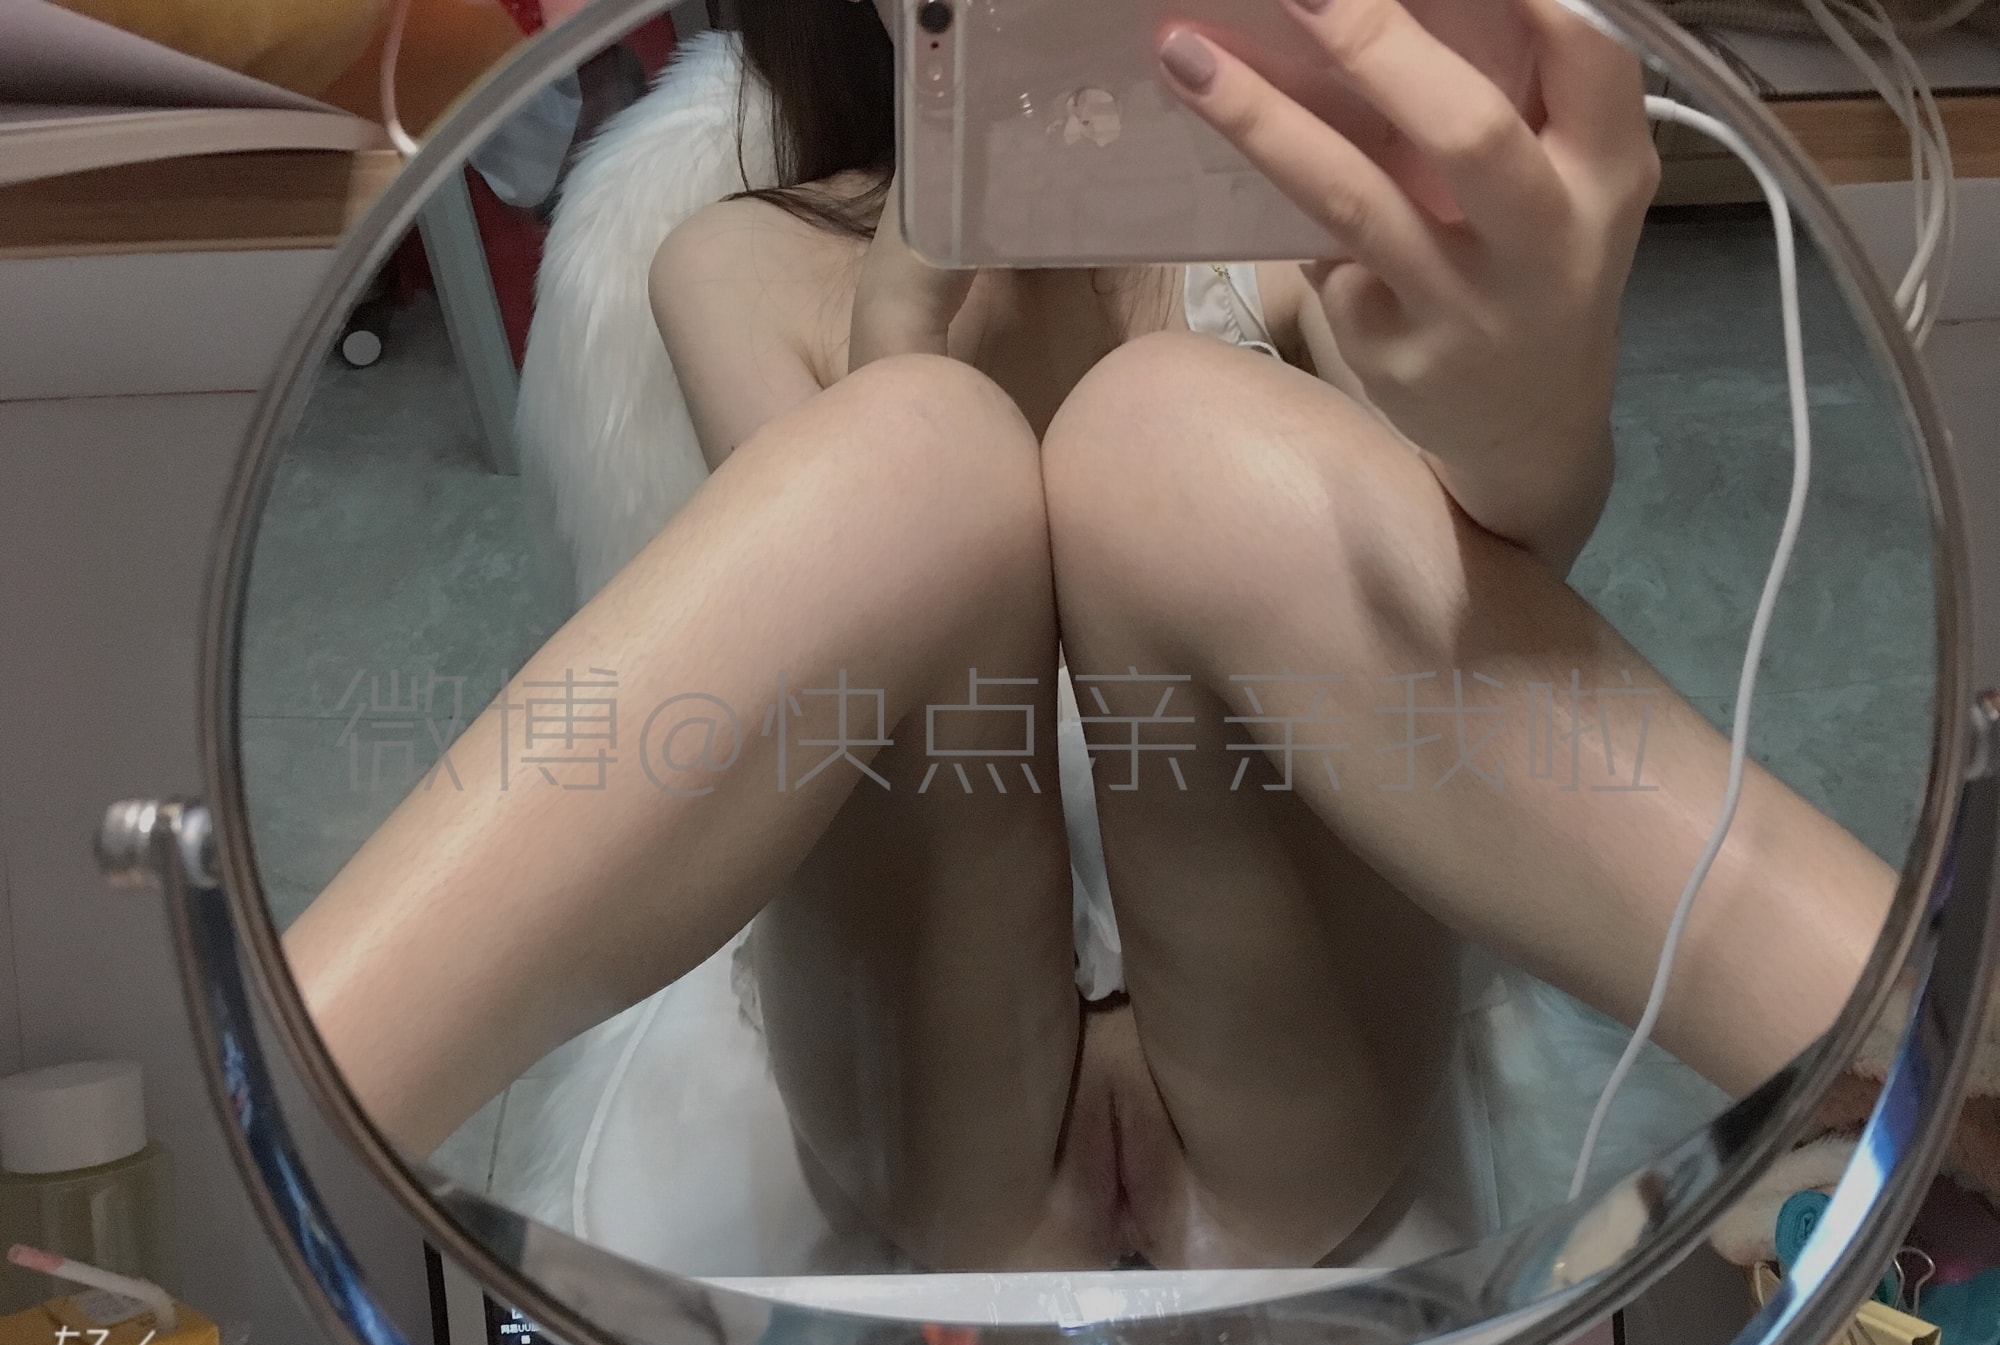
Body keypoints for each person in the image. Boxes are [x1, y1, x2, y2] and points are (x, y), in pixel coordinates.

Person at [284, 0, 1898, 1273]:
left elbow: (1485, 589)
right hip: (938, 1105)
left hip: (1292, 1092)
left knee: (1170, 434)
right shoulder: (732, 259)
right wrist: (900, 342)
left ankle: (1920, 1024)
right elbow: (821, 711)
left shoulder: (1297, 231)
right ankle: (278, 1090)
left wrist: (1529, 418)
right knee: (914, 457)